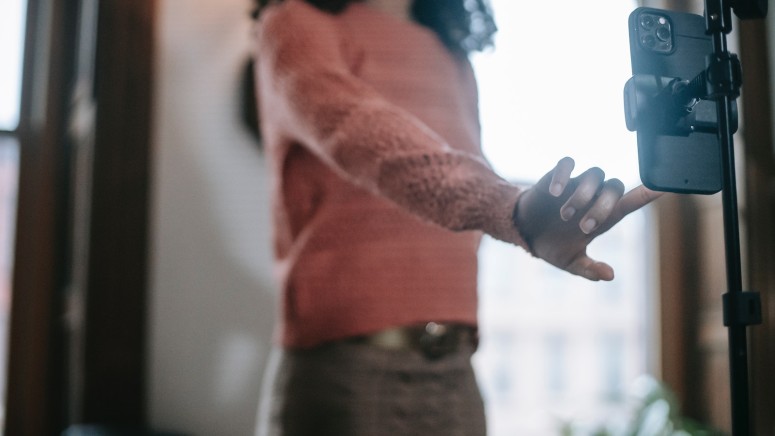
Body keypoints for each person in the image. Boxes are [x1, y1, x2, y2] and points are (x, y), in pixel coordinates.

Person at [250, 0, 661, 434]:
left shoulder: (450, 52)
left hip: (457, 367)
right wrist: (510, 209)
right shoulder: (293, 23)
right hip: (348, 371)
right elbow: (356, 131)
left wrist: (536, 216)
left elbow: (459, 167)